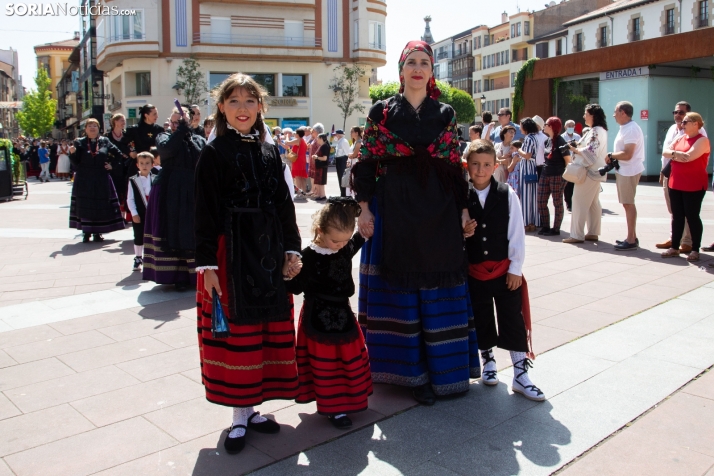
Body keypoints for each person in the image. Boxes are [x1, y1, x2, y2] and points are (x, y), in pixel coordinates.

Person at [351, 40, 480, 405]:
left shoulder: (446, 113)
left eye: (425, 62)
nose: (418, 68)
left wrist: (464, 209)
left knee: (437, 286)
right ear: (401, 70)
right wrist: (364, 208)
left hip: (438, 209)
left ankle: (446, 370)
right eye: (412, 62)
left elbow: (456, 167)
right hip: (393, 208)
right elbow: (365, 163)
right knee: (402, 290)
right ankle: (412, 375)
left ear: (432, 70)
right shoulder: (382, 113)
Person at [194, 73, 302, 456]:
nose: (243, 108)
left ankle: (253, 408)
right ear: (221, 108)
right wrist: (207, 266)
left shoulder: (272, 152)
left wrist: (293, 249)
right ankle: (239, 414)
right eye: (234, 101)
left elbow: (285, 205)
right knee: (237, 333)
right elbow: (203, 211)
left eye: (250, 101)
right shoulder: (213, 152)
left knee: (263, 331)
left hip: (269, 251)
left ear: (261, 108)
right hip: (230, 254)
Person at [464, 140, 544, 402]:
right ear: (467, 165)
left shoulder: (506, 193)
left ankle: (520, 373)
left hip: (504, 269)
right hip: (474, 271)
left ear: (495, 166)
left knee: (512, 317)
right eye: (475, 164)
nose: (480, 170)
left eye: (487, 164)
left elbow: (516, 233)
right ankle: (488, 362)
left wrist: (516, 268)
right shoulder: (461, 197)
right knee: (482, 316)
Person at [285, 197, 372, 429]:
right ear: (320, 231)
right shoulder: (307, 257)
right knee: (326, 364)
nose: (341, 246)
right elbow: (294, 288)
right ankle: (334, 408)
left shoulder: (343, 248)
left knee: (348, 358)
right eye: (336, 241)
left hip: (343, 314)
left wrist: (364, 231)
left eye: (344, 241)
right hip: (317, 317)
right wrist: (290, 275)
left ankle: (350, 399)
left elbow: (356, 242)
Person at [142, 106, 206, 290]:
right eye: (174, 121)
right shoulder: (163, 137)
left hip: (192, 189)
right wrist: (182, 131)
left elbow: (200, 158)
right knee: (171, 230)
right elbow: (168, 150)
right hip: (169, 189)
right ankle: (175, 276)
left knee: (191, 230)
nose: (176, 124)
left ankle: (195, 276)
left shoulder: (199, 140)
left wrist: (188, 133)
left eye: (180, 121)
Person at [657, 101, 707, 253]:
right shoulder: (676, 133)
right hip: (673, 179)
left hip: (692, 183)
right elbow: (666, 152)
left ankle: (691, 245)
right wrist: (675, 155)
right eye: (675, 113)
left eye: (684, 117)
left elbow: (689, 157)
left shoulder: (701, 136)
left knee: (691, 215)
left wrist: (675, 155)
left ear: (695, 123)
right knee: (676, 214)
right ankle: (674, 243)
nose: (679, 118)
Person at [68, 119, 126, 242]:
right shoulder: (79, 143)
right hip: (84, 178)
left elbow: (118, 154)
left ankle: (98, 233)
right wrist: (72, 154)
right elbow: (75, 163)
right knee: (86, 205)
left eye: (95, 125)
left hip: (101, 177)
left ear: (99, 128)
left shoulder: (104, 141)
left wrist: (112, 165)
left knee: (100, 204)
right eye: (90, 126)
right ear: (85, 129)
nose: (92, 128)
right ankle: (86, 232)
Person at [563, 104, 608, 244]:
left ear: (593, 115)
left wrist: (574, 149)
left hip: (588, 172)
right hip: (596, 172)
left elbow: (590, 153)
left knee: (578, 202)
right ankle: (593, 232)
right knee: (594, 204)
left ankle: (576, 235)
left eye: (586, 113)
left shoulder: (595, 131)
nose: (584, 116)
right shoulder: (600, 130)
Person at [609, 101, 645, 251]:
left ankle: (631, 239)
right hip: (625, 170)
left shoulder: (631, 129)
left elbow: (628, 154)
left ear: (623, 113)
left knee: (628, 204)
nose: (614, 115)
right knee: (627, 203)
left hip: (629, 170)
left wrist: (611, 155)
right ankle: (632, 237)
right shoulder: (626, 127)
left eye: (615, 112)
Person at [537, 117, 570, 236]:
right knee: (540, 201)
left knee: (557, 202)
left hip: (557, 175)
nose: (544, 126)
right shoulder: (547, 141)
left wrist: (565, 177)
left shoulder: (561, 142)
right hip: (545, 174)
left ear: (551, 126)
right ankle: (545, 226)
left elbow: (568, 160)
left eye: (546, 124)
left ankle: (556, 229)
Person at [126, 152, 156, 272]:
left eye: (147, 163)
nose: (144, 166)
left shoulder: (156, 178)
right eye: (142, 163)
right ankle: (138, 257)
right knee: (139, 235)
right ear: (137, 165)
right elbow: (130, 198)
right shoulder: (133, 180)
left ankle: (153, 258)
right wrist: (134, 213)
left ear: (152, 164)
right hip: (140, 213)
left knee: (154, 235)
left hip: (153, 213)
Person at [511, 118, 540, 231]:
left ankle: (526, 221)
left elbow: (527, 155)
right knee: (532, 195)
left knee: (526, 195)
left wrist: (519, 150)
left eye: (521, 126)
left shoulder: (528, 138)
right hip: (532, 167)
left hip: (527, 167)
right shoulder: (535, 137)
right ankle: (533, 221)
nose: (519, 127)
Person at [106, 113, 132, 219]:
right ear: (115, 122)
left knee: (125, 190)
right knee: (114, 190)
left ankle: (124, 215)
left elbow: (131, 148)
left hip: (126, 166)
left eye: (124, 120)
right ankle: (114, 215)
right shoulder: (107, 136)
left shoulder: (126, 136)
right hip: (113, 167)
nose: (123, 122)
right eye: (121, 120)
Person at [284, 128, 308, 196]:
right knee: (301, 177)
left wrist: (287, 136)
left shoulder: (298, 140)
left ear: (298, 134)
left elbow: (287, 142)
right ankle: (303, 192)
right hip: (302, 160)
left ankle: (299, 192)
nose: (294, 134)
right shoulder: (303, 140)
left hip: (297, 160)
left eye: (295, 133)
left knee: (298, 177)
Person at [311, 133, 329, 201]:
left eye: (318, 138)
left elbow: (325, 158)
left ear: (321, 138)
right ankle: (320, 194)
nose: (317, 140)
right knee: (318, 181)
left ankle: (322, 195)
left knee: (321, 182)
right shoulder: (322, 146)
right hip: (319, 166)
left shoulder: (324, 146)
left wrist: (316, 157)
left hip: (322, 166)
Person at [345, 126, 363, 196]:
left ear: (357, 133)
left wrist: (350, 155)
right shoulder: (355, 142)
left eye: (352, 132)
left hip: (356, 165)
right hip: (353, 164)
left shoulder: (359, 142)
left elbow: (355, 155)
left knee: (354, 181)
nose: (350, 133)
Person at [333, 129, 351, 197]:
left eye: (336, 134)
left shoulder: (344, 141)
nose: (335, 136)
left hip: (342, 160)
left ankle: (344, 194)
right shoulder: (339, 141)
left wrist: (348, 161)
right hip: (338, 160)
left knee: (343, 177)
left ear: (339, 135)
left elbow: (347, 153)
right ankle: (342, 193)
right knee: (340, 177)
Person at [532, 115, 548, 179]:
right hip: (531, 167)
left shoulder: (544, 138)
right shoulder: (529, 136)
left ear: (538, 126)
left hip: (540, 168)